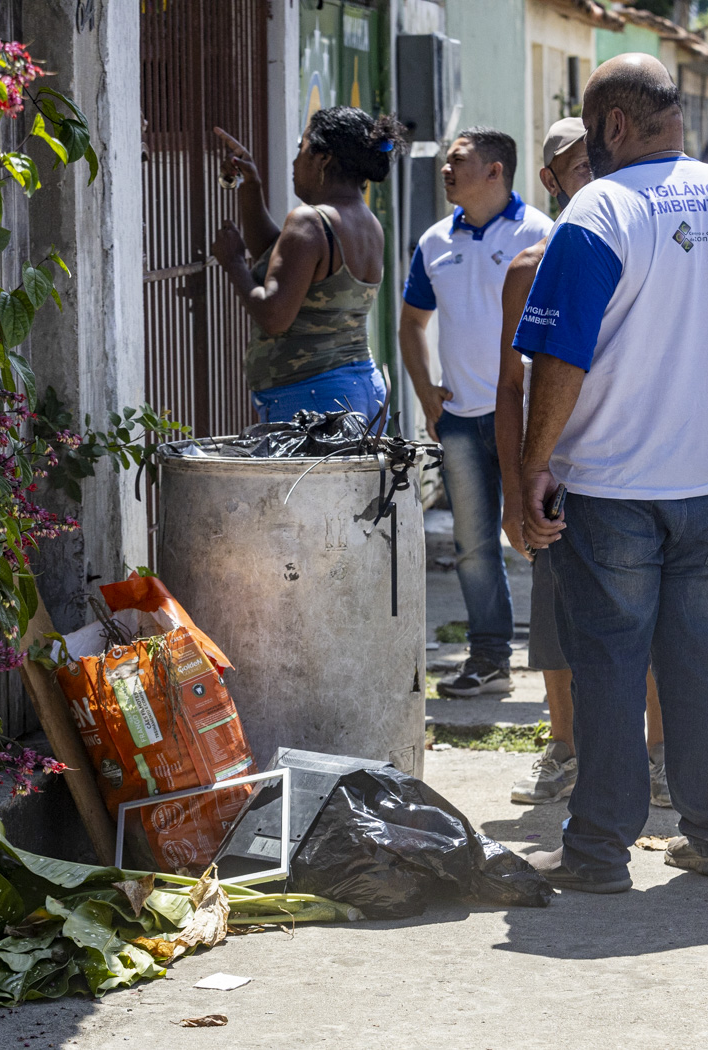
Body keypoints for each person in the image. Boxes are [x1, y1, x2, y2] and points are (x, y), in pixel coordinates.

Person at [515, 54, 708, 893]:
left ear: (611, 125)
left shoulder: (596, 211)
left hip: (608, 485)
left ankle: (598, 852)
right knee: (700, 657)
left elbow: (559, 359)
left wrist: (533, 467)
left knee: (609, 662)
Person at [495, 118, 671, 809]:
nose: (592, 178)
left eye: (599, 164)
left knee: (650, 624)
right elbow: (509, 387)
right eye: (577, 168)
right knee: (557, 625)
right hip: (557, 475)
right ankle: (562, 748)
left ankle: (657, 756)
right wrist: (516, 491)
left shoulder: (648, 250)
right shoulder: (528, 270)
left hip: (636, 468)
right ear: (552, 180)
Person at [401, 128, 555, 698]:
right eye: (445, 159)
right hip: (462, 422)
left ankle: (560, 669)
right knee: (473, 546)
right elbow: (411, 324)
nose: (444, 168)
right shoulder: (434, 242)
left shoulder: (542, 234)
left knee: (541, 538)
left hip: (530, 421)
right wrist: (426, 392)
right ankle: (490, 657)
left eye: (457, 160)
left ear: (495, 170)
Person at [209, 108, 404, 423]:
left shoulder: (310, 221)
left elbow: (274, 316)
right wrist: (251, 187)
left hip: (313, 400)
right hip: (360, 391)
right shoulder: (366, 223)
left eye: (301, 149)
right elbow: (286, 266)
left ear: (323, 158)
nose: (294, 161)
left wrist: (233, 264)